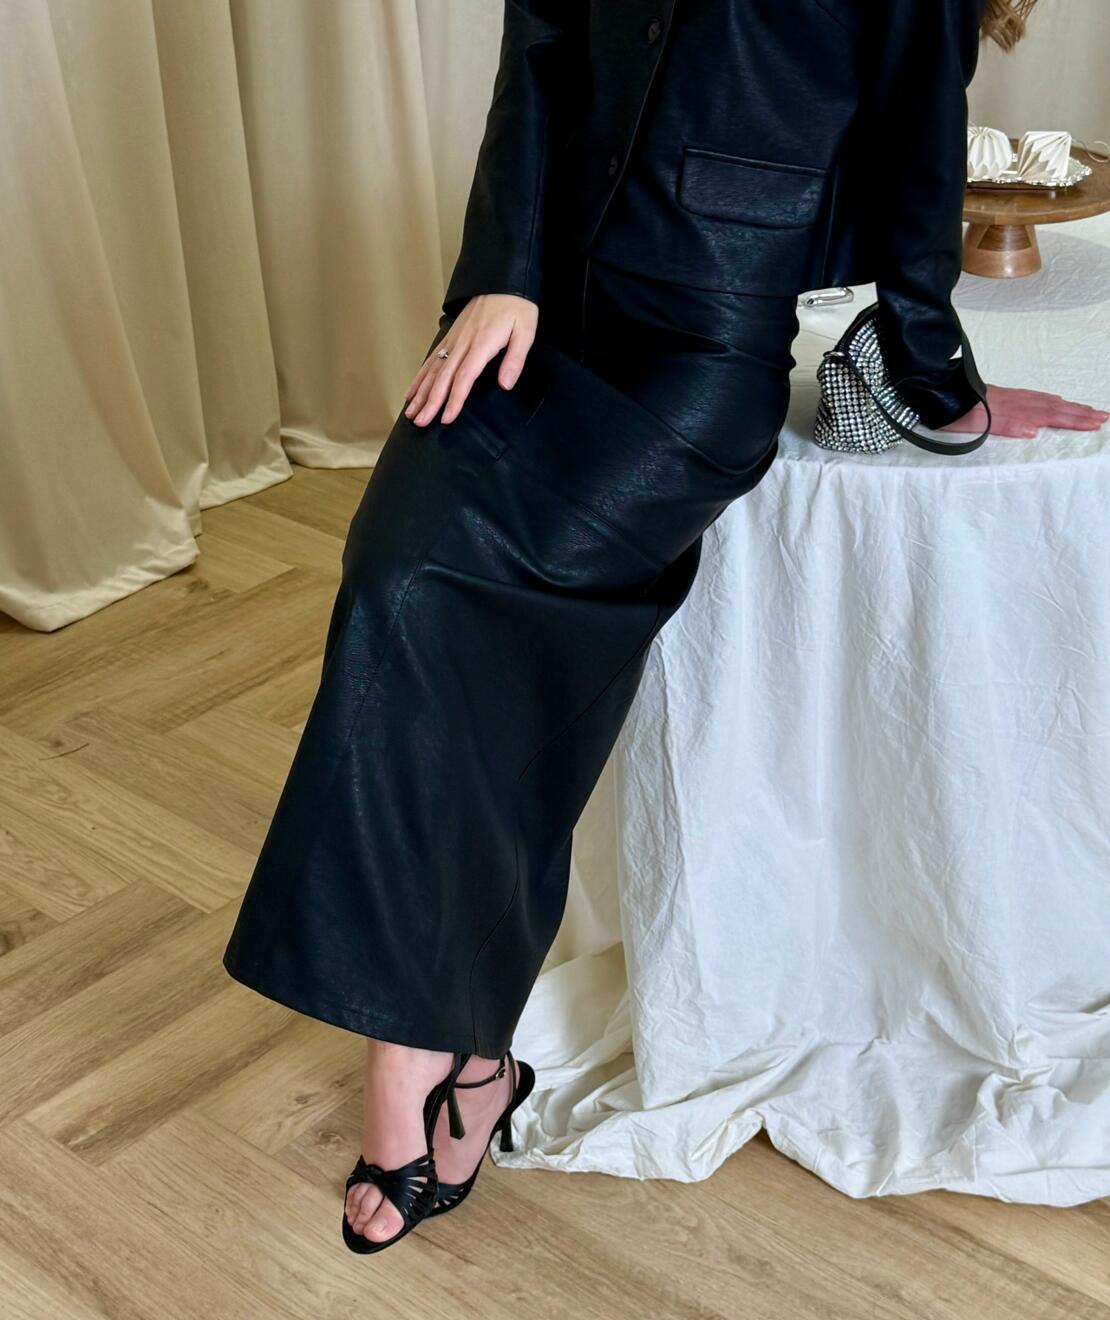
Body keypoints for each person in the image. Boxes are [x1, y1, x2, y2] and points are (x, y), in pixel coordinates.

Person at [221, 0, 1107, 1252]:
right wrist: (499, 276)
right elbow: (537, 56)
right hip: (533, 316)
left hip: (697, 353)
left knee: (456, 615)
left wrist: (935, 377)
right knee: (391, 583)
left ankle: (412, 1052)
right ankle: (462, 1047)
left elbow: (916, 138)